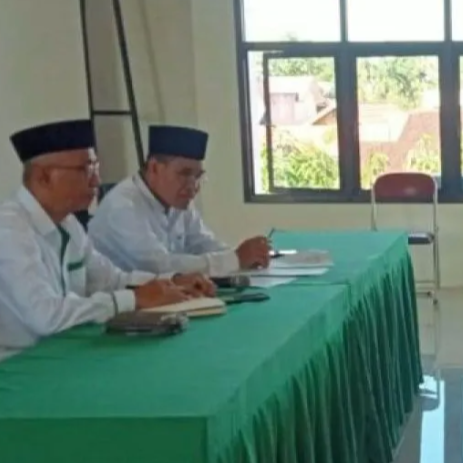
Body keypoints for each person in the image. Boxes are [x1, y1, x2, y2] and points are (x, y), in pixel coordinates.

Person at [0, 120, 213, 360]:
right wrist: (133, 299)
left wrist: (171, 282)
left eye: (96, 167)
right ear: (43, 177)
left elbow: (111, 279)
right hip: (17, 365)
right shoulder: (9, 229)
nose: (96, 181)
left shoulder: (68, 223)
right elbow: (45, 316)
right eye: (85, 170)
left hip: (64, 352)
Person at [90, 125, 271, 276]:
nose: (193, 186)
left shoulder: (177, 200)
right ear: (154, 168)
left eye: (197, 176)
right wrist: (234, 259)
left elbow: (202, 243)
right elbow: (160, 267)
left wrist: (244, 256)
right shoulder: (123, 206)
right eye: (184, 174)